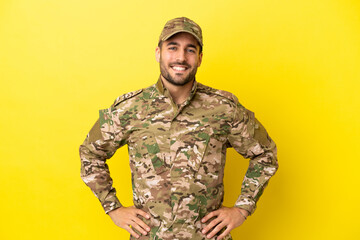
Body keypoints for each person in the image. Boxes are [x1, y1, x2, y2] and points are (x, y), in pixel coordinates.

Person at [79, 17, 278, 240]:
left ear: (200, 58)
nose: (181, 57)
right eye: (172, 48)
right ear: (158, 53)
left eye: (190, 50)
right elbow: (90, 152)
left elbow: (265, 153)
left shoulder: (224, 107)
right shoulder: (128, 108)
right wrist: (112, 207)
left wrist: (243, 208)